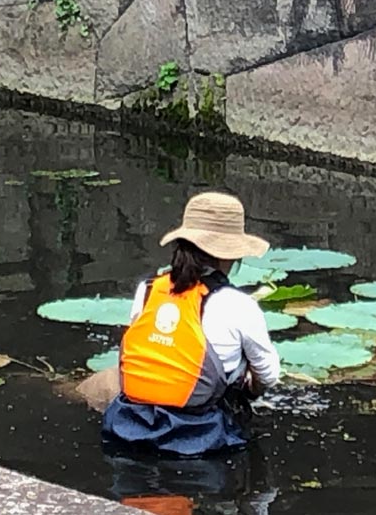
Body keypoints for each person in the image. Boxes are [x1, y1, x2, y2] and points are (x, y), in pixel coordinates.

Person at [102, 191, 281, 456]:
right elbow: (268, 375)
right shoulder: (238, 305)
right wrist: (249, 391)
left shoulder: (148, 290)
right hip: (198, 439)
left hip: (128, 429)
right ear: (230, 255)